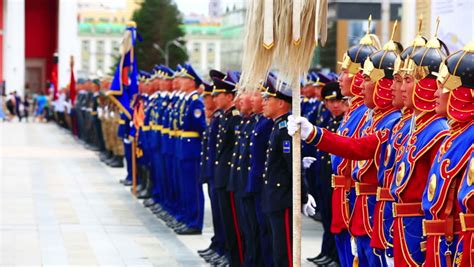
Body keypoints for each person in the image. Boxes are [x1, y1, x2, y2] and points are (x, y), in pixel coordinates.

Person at [422, 43, 473, 267]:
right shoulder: (455, 133)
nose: (435, 93)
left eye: (442, 86)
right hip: (442, 242)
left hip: (459, 245)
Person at [260, 74, 314, 267]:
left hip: (282, 198)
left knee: (285, 254)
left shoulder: (286, 129)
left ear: (282, 103)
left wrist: (304, 196)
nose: (264, 102)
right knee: (279, 250)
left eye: (268, 99)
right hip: (275, 197)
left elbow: (294, 166)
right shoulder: (278, 126)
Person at [304, 82, 346, 266]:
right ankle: (327, 252)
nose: (335, 105)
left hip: (336, 180)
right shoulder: (329, 121)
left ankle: (335, 255)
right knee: (327, 218)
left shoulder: (345, 121)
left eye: (338, 101)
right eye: (331, 102)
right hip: (324, 178)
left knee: (336, 221)